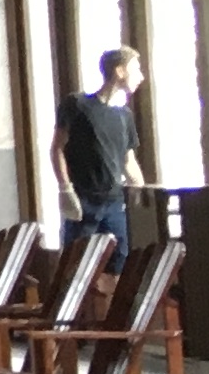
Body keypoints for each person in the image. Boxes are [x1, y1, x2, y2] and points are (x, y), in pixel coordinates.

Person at [53, 47, 143, 275]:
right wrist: (65, 188)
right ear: (119, 71)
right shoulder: (77, 105)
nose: (140, 76)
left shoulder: (124, 116)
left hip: (115, 202)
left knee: (120, 262)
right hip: (83, 200)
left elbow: (128, 161)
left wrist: (141, 191)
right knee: (76, 266)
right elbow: (57, 148)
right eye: (136, 69)